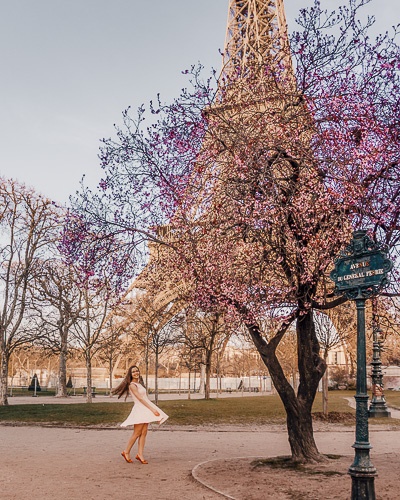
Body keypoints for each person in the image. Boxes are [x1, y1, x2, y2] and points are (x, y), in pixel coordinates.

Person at [112, 365, 168, 464]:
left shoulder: (139, 384)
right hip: (140, 409)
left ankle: (140, 454)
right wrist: (152, 409)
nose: (136, 373)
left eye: (137, 371)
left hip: (145, 409)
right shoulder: (132, 385)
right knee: (137, 433)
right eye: (133, 372)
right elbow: (140, 399)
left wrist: (152, 409)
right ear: (130, 374)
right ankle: (126, 451)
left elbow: (145, 398)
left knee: (144, 433)